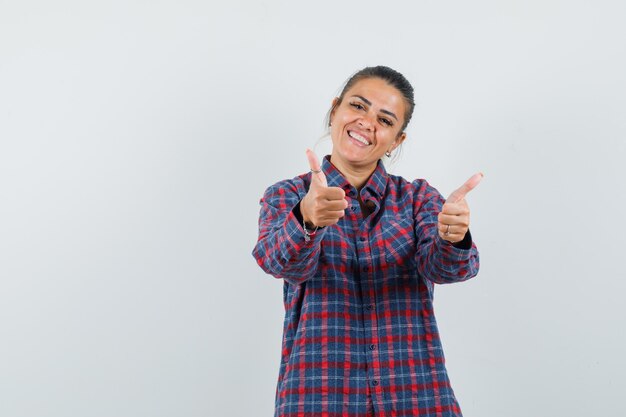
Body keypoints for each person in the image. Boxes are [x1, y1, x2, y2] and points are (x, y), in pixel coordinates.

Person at [252, 66, 482, 417]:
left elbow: (445, 268)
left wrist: (453, 236)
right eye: (358, 106)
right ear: (335, 110)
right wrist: (307, 219)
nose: (367, 123)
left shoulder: (418, 198)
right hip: (319, 397)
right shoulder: (287, 194)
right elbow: (278, 262)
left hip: (417, 397)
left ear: (397, 140)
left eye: (385, 120)